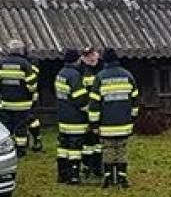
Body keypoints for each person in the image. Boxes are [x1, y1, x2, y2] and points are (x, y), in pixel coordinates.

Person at [87, 48, 139, 188]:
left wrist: (94, 124)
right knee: (122, 150)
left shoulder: (100, 77)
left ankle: (108, 178)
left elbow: (94, 104)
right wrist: (133, 119)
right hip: (124, 123)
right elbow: (135, 100)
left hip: (106, 125)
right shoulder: (128, 76)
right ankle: (122, 178)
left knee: (108, 149)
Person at [0, 39, 39, 156]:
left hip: (6, 103)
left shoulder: (1, 63)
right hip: (22, 104)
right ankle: (21, 150)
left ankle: (6, 148)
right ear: (21, 50)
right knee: (20, 127)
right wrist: (31, 96)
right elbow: (32, 85)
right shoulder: (25, 64)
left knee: (7, 127)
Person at [53, 48, 90, 184]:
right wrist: (89, 110)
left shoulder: (61, 73)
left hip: (63, 116)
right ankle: (74, 175)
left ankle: (62, 174)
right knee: (75, 147)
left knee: (63, 146)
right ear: (76, 60)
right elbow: (80, 99)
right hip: (75, 119)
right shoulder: (74, 75)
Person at [79, 46, 103, 178]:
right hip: (86, 111)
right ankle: (87, 166)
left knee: (99, 140)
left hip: (101, 110)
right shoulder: (80, 70)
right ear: (83, 58)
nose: (91, 58)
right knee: (88, 140)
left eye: (93, 54)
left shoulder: (103, 68)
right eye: (87, 56)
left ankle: (98, 167)